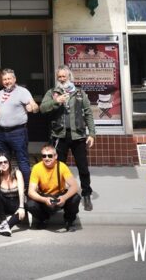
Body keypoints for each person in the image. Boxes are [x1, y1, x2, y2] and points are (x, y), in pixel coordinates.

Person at [39, 65, 96, 211]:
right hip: (59, 135)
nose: (62, 79)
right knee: (58, 167)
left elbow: (88, 112)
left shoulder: (79, 93)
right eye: (60, 77)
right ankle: (59, 193)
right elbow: (42, 108)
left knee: (83, 167)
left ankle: (86, 194)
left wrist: (92, 134)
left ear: (69, 77)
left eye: (64, 76)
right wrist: (56, 101)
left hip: (78, 135)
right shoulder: (53, 92)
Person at [0, 68, 38, 184]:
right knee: (3, 162)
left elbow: (35, 106)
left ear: (14, 79)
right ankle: (6, 186)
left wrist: (33, 108)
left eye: (9, 79)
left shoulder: (23, 91)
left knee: (22, 162)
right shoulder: (0, 93)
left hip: (18, 133)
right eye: (4, 79)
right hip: (2, 134)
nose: (7, 81)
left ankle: (27, 190)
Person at [26, 145, 81, 232]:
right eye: (44, 156)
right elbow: (30, 192)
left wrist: (64, 197)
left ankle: (69, 221)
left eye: (50, 156)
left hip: (60, 195)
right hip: (45, 196)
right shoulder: (37, 168)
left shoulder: (62, 166)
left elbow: (75, 186)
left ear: (55, 156)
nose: (47, 158)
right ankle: (43, 219)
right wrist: (44, 199)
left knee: (76, 198)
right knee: (30, 204)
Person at [0, 153, 26, 236]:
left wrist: (21, 207)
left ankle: (7, 226)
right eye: (0, 163)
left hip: (16, 203)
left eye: (5, 162)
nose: (3, 164)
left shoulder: (17, 173)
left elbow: (21, 191)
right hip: (4, 204)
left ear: (9, 162)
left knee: (23, 210)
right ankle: (3, 220)